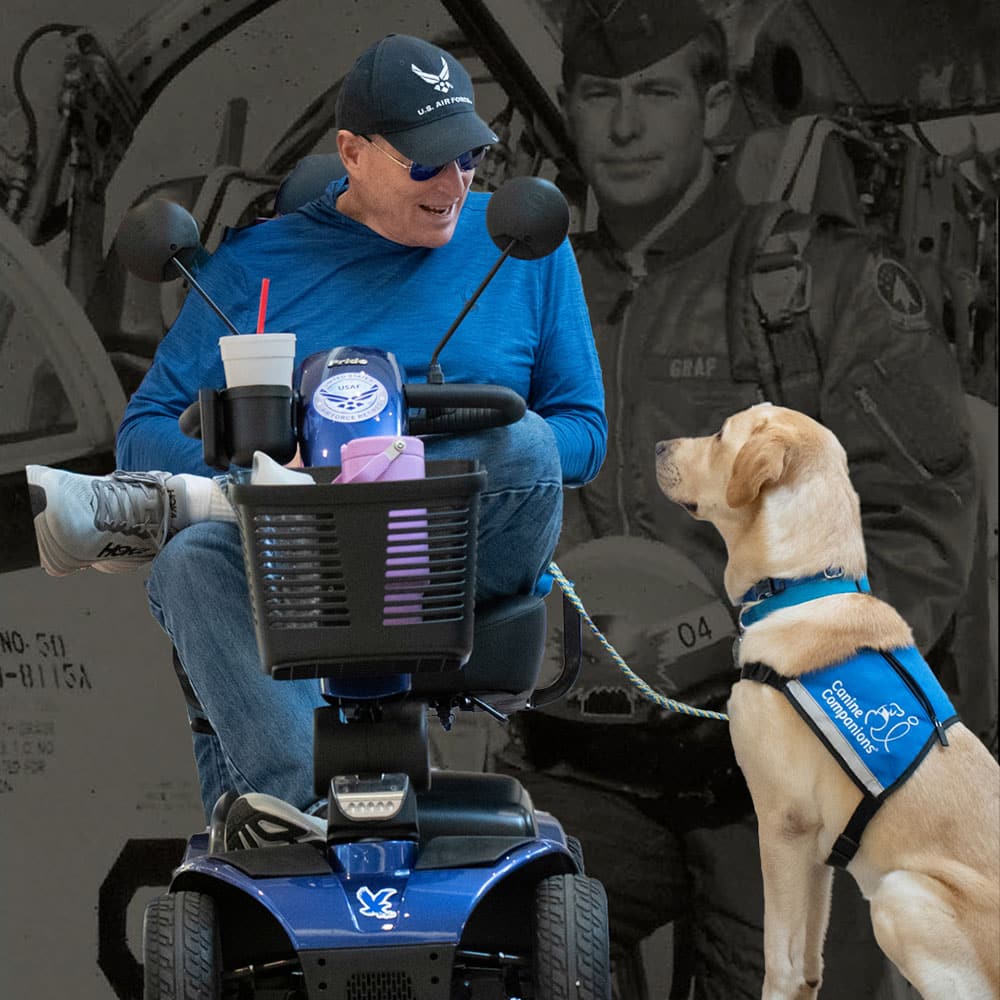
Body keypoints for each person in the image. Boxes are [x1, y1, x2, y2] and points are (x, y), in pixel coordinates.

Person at [494, 2, 981, 997]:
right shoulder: (526, 301)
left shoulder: (819, 289)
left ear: (715, 107)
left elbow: (918, 525)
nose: (625, 127)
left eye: (658, 94)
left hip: (789, 771)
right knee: (493, 930)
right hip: (589, 763)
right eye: (600, 96)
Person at [26, 33, 607, 846]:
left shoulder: (522, 248)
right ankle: (300, 812)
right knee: (194, 564)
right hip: (302, 555)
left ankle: (213, 505)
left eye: (469, 159)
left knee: (529, 446)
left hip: (456, 546)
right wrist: (274, 463)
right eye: (425, 164)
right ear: (352, 153)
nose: (453, 185)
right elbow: (144, 430)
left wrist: (406, 446)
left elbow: (583, 433)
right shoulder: (252, 269)